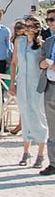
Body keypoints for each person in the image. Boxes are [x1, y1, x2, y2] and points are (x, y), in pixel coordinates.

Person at [9, 17, 47, 168]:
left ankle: (41, 153)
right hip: (22, 83)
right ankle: (26, 151)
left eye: (30, 25)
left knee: (38, 115)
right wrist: (12, 83)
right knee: (25, 114)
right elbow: (14, 62)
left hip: (36, 84)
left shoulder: (41, 45)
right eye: (26, 25)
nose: (27, 27)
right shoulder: (20, 41)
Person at [37, 30, 55, 176]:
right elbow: (40, 61)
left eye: (53, 20)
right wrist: (43, 64)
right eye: (49, 20)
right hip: (49, 85)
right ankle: (53, 163)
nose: (51, 23)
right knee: (52, 127)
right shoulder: (48, 41)